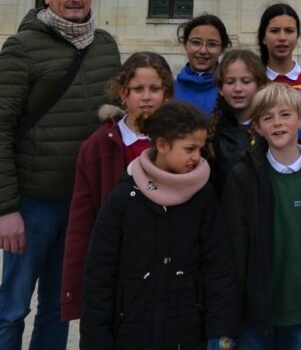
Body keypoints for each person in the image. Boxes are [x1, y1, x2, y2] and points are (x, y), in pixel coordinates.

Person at [0, 0, 121, 350]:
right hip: (34, 201)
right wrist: (6, 209)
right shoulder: (22, 47)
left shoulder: (104, 46)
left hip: (82, 200)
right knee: (13, 306)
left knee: (61, 304)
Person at [80, 99, 238, 349]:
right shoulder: (123, 198)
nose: (197, 157)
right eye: (189, 149)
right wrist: (95, 340)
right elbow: (98, 275)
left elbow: (219, 268)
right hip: (131, 332)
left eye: (200, 148)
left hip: (187, 332)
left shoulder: (204, 197)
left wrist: (221, 333)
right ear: (163, 145)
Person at [222, 83, 301, 349]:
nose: (277, 123)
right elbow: (233, 246)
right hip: (256, 310)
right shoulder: (243, 176)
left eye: (285, 114)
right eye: (268, 117)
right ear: (257, 127)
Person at [61, 50, 173, 320]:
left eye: (154, 89)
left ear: (167, 93)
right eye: (138, 89)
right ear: (123, 93)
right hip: (120, 263)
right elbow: (81, 220)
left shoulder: (179, 140)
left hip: (167, 262)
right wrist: (75, 289)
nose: (146, 96)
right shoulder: (98, 145)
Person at [208, 48, 267, 197]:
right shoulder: (212, 132)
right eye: (230, 82)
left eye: (246, 81)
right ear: (221, 88)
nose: (238, 89)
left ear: (259, 85)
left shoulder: (270, 130)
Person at [258, 2, 301, 110]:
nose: (282, 37)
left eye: (289, 31)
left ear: (297, 36)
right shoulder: (253, 82)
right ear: (263, 38)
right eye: (274, 31)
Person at [173, 13, 232, 113]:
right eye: (196, 42)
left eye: (212, 44)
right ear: (185, 44)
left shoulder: (232, 92)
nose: (203, 50)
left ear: (222, 48)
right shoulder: (169, 91)